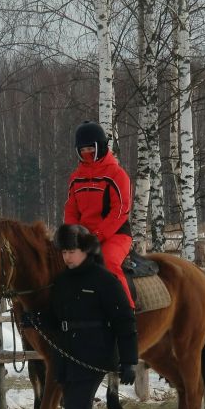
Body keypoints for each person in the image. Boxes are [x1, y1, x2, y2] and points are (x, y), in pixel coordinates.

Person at [44, 223, 137, 409]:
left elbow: (124, 321)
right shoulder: (62, 281)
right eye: (63, 252)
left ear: (85, 250)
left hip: (94, 355)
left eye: (71, 251)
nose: (67, 257)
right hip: (68, 356)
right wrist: (36, 319)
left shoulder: (104, 280)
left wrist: (129, 361)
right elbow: (55, 317)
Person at [64, 121, 135, 309]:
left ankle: (125, 311)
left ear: (101, 147)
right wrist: (72, 235)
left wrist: (97, 236)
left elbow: (120, 210)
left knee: (108, 262)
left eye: (90, 148)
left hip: (115, 234)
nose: (87, 153)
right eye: (83, 149)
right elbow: (71, 209)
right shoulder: (75, 178)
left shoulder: (117, 175)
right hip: (84, 237)